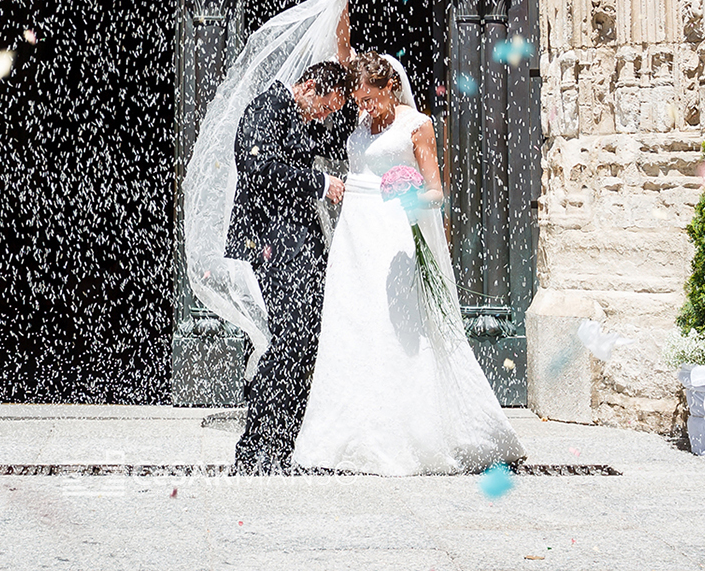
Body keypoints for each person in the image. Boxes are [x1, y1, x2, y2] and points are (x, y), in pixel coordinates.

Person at [293, 50, 526, 475]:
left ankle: (403, 433)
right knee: (352, 327)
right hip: (354, 238)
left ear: (390, 88)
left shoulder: (418, 127)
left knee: (394, 330)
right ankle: (344, 433)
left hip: (392, 237)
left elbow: (436, 192)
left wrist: (409, 196)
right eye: (359, 101)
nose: (363, 109)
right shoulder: (363, 122)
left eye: (370, 99)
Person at [225, 55, 356, 473]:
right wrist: (319, 182)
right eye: (326, 107)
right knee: (291, 338)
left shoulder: (294, 115)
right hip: (273, 244)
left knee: (302, 337)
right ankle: (256, 443)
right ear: (310, 88)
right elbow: (257, 165)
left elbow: (331, 144)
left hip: (295, 241)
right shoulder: (267, 108)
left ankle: (282, 439)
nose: (324, 117)